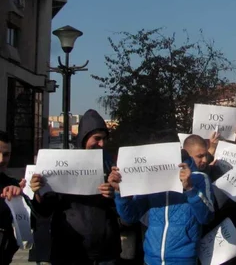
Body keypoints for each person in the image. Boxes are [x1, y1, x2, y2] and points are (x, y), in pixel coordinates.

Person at [30, 109, 121, 265]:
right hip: (69, 251)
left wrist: (116, 193)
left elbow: (124, 211)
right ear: (84, 137)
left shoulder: (111, 166)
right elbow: (45, 210)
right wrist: (38, 192)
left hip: (105, 251)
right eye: (97, 139)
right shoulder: (63, 164)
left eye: (104, 139)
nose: (102, 144)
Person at [109, 134, 214, 265]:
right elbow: (130, 216)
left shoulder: (199, 178)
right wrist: (120, 192)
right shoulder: (149, 177)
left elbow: (206, 217)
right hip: (151, 258)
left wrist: (190, 188)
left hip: (183, 259)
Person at [0, 131, 26, 264]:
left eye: (6, 155)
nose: (1, 160)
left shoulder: (12, 184)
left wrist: (20, 199)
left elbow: (24, 227)